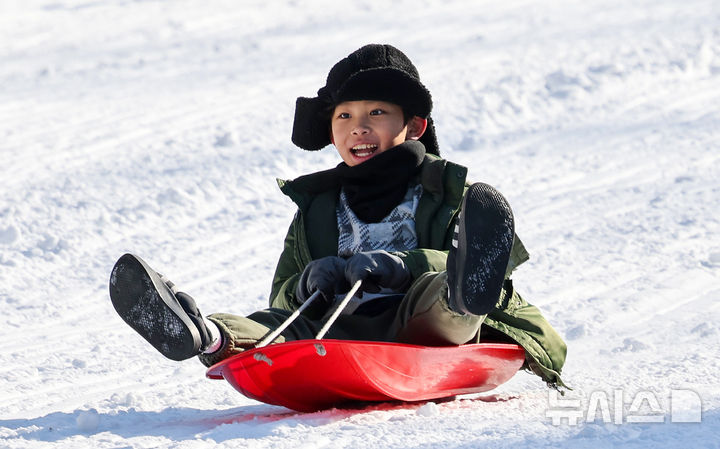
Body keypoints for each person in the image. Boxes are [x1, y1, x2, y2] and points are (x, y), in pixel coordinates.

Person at [109, 44, 567, 389]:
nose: (358, 127)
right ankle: (206, 333)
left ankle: (460, 301)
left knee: (439, 297)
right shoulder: (318, 207)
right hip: (338, 330)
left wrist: (405, 266)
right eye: (344, 116)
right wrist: (306, 282)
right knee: (279, 324)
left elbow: (498, 280)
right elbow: (283, 298)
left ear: (414, 126)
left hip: (420, 326)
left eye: (377, 112)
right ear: (331, 132)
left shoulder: (448, 195)